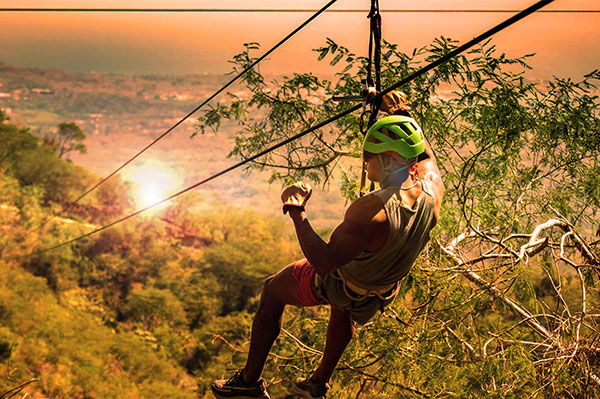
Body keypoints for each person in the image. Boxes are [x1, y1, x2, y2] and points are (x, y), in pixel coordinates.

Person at [211, 91, 444, 399]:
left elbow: (324, 262)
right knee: (343, 307)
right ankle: (316, 385)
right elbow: (425, 156)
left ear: (387, 160)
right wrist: (400, 113)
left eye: (369, 157)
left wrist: (297, 211)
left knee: (272, 291)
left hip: (343, 283)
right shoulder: (432, 189)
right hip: (381, 289)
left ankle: (248, 383)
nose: (365, 163)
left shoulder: (370, 211)